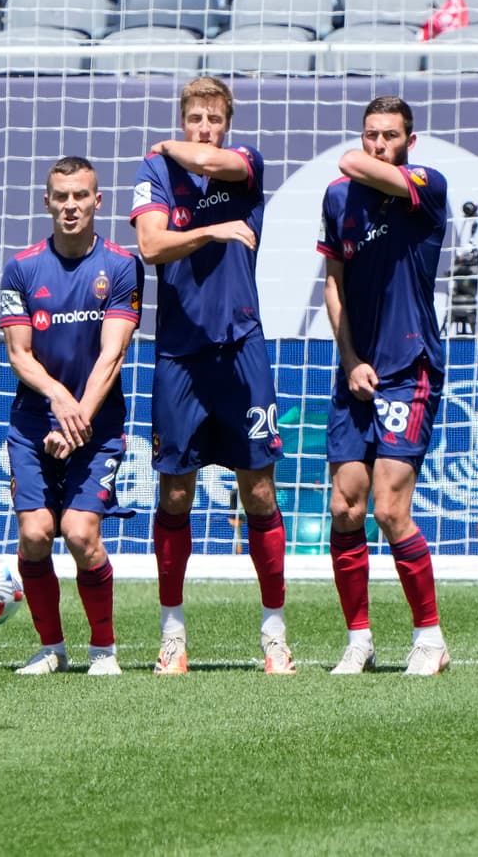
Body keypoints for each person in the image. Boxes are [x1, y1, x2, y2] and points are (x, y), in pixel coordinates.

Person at [130, 76, 294, 675]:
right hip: (178, 354)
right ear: (184, 117)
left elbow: (205, 160)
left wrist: (169, 148)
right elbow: (151, 246)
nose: (204, 128)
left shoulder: (244, 164)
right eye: (194, 118)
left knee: (259, 491)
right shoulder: (156, 176)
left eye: (213, 119)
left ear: (226, 124)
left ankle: (274, 633)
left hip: (242, 348)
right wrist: (210, 230)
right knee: (175, 491)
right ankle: (172, 634)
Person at [317, 95, 452, 676]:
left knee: (391, 507)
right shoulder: (337, 199)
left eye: (390, 135)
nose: (378, 144)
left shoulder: (427, 185)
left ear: (408, 142)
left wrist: (358, 157)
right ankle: (360, 639)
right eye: (370, 134)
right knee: (345, 505)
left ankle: (430, 637)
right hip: (358, 371)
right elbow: (334, 286)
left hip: (409, 364)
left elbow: (355, 163)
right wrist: (349, 360)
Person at [0, 156, 143, 676]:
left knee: (81, 534)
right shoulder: (21, 267)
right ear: (47, 202)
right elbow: (18, 354)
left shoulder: (122, 266)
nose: (70, 206)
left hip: (96, 422)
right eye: (60, 197)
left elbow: (114, 354)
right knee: (36, 534)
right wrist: (59, 401)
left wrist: (77, 417)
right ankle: (50, 648)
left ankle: (103, 650)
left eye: (80, 196)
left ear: (97, 201)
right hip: (35, 422)